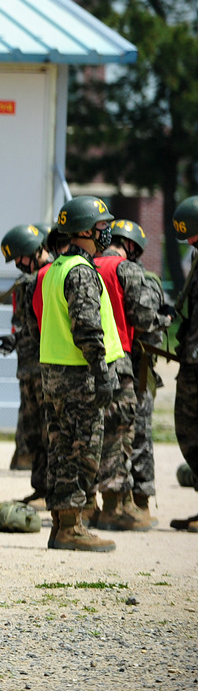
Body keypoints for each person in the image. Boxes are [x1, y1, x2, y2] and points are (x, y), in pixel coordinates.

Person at [34, 196, 127, 552]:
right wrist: (102, 371)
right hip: (80, 374)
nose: (106, 232)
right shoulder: (82, 272)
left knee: (60, 448)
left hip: (55, 373)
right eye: (102, 226)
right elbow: (87, 327)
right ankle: (72, 527)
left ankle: (61, 523)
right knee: (84, 450)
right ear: (84, 230)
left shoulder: (57, 267)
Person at [92, 219, 164, 531]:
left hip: (84, 361)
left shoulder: (85, 266)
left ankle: (85, 507)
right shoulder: (128, 270)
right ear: (132, 246)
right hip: (122, 360)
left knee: (91, 435)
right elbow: (145, 319)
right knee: (126, 435)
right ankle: (125, 504)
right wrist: (164, 318)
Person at [0, 224, 52, 504]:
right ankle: (40, 487)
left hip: (47, 369)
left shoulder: (51, 276)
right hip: (28, 370)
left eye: (21, 257)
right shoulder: (26, 283)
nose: (19, 264)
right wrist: (15, 339)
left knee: (49, 432)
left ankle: (53, 489)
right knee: (32, 432)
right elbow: (21, 323)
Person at [168, 196, 198, 532]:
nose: (190, 242)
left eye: (193, 235)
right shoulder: (196, 257)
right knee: (189, 432)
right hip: (191, 357)